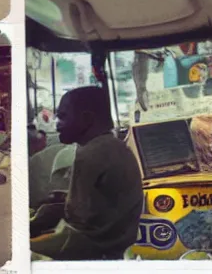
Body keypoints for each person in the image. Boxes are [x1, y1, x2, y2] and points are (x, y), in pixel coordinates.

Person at [31, 86, 143, 261]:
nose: (57, 125)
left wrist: (43, 219)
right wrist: (63, 199)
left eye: (63, 117)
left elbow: (78, 217)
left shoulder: (90, 154)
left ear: (87, 119)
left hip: (94, 249)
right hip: (118, 245)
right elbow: (102, 201)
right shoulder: (116, 146)